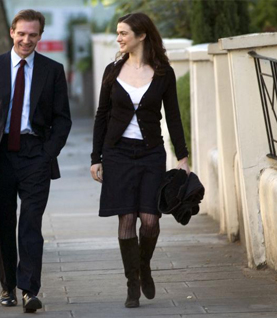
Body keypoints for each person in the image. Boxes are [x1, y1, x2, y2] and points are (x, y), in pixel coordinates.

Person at [0, 9, 71, 313]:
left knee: (30, 224)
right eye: (22, 33)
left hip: (34, 156)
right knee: (2, 225)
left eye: (33, 34)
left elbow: (62, 119)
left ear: (40, 36)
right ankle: (7, 285)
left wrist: (47, 154)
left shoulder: (52, 70)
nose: (27, 40)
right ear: (12, 32)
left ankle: (29, 289)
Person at [90, 12, 190, 308]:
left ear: (142, 35)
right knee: (127, 219)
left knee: (149, 220)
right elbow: (101, 116)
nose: (118, 38)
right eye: (118, 33)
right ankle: (132, 283)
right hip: (118, 153)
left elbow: (173, 117)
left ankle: (143, 264)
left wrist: (182, 157)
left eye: (123, 33)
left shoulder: (163, 73)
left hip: (150, 153)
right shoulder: (112, 71)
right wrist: (97, 158)